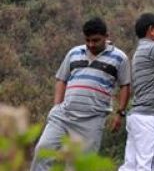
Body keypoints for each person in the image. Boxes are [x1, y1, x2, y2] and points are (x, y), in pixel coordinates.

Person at [31, 17, 131, 171]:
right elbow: (61, 79)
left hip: (91, 120)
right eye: (87, 40)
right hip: (63, 115)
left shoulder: (120, 58)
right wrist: (56, 106)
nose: (91, 44)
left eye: (95, 40)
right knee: (42, 152)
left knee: (79, 165)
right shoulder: (74, 53)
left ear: (106, 36)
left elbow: (125, 85)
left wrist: (120, 113)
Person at [119, 13, 154, 171]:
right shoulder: (153, 48)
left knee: (130, 166)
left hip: (138, 117)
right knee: (150, 166)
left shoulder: (141, 51)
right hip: (152, 117)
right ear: (151, 30)